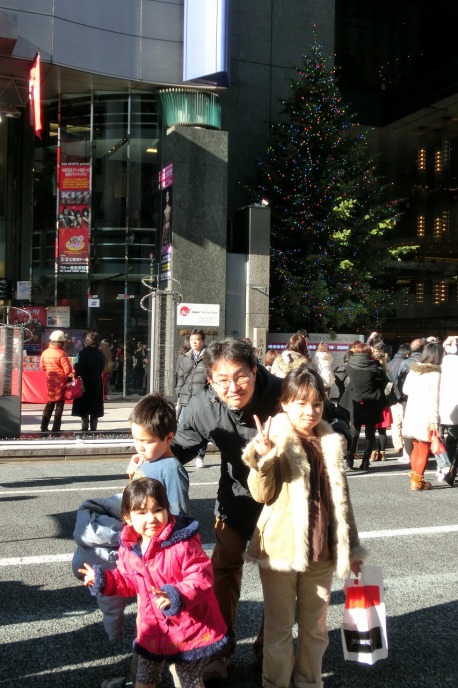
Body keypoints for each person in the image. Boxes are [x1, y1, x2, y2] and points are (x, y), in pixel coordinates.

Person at [242, 366, 366, 688]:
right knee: (279, 628)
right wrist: (264, 458)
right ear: (284, 403)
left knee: (316, 628)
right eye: (301, 403)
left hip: (322, 548)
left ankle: (309, 682)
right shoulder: (274, 438)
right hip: (281, 549)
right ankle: (276, 683)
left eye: (316, 403)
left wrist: (352, 548)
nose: (310, 411)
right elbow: (260, 493)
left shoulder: (330, 441)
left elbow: (342, 501)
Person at [171, 338, 283, 681]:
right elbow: (181, 448)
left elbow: (324, 419)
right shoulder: (202, 407)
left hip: (281, 499)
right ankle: (218, 651)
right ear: (210, 380)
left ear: (255, 371)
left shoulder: (282, 393)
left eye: (240, 376)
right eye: (222, 379)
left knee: (279, 578)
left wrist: (339, 431)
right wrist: (149, 458)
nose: (233, 387)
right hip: (234, 496)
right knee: (222, 571)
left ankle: (270, 652)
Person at [79, 478, 229, 688]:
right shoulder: (130, 547)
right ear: (127, 517)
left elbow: (200, 577)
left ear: (167, 509)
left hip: (188, 627)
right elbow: (128, 581)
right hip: (151, 627)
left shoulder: (182, 542)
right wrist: (104, 580)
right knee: (144, 678)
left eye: (158, 510)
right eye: (141, 513)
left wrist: (176, 595)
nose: (151, 519)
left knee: (189, 681)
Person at [125, 393, 191, 515]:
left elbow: (179, 513)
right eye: (135, 439)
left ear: (169, 438)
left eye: (147, 442)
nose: (140, 447)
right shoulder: (147, 460)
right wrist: (132, 475)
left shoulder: (171, 470)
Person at [338, 342, 387, 470]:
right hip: (372, 402)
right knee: (370, 433)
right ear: (369, 353)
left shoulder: (350, 367)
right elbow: (384, 381)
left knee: (354, 432)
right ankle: (365, 461)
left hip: (356, 402)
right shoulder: (375, 368)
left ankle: (350, 459)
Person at [402, 342, 442, 491]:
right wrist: (435, 420)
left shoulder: (414, 370)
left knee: (416, 447)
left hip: (412, 412)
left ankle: (415, 478)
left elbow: (405, 390)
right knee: (424, 448)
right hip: (426, 414)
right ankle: (418, 481)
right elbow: (434, 399)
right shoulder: (435, 373)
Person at [175, 329, 208, 469]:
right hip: (186, 397)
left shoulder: (209, 357)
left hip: (201, 399)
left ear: (203, 341)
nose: (194, 342)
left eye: (197, 339)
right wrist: (179, 391)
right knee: (182, 427)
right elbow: (180, 376)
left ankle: (200, 456)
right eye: (192, 339)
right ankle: (180, 455)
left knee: (202, 428)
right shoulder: (185, 357)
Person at [39, 330, 74, 433]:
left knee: (50, 403)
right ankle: (56, 428)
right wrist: (70, 378)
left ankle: (43, 426)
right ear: (60, 342)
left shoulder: (45, 352)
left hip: (50, 380)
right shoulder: (61, 353)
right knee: (59, 405)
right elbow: (68, 370)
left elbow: (42, 367)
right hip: (60, 382)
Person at [72, 331, 106, 431]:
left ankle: (84, 426)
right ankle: (94, 426)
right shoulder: (100, 354)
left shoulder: (81, 354)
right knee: (95, 403)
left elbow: (76, 366)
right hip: (96, 381)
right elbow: (102, 367)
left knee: (84, 404)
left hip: (83, 381)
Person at [439, 336, 458, 487]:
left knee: (448, 439)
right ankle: (451, 471)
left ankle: (446, 469)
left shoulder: (440, 366)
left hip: (443, 408)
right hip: (455, 408)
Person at [387, 343, 411, 454]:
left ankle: (397, 444)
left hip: (392, 398)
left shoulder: (389, 363)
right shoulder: (406, 364)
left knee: (395, 422)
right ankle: (407, 446)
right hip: (403, 397)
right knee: (405, 421)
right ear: (407, 354)